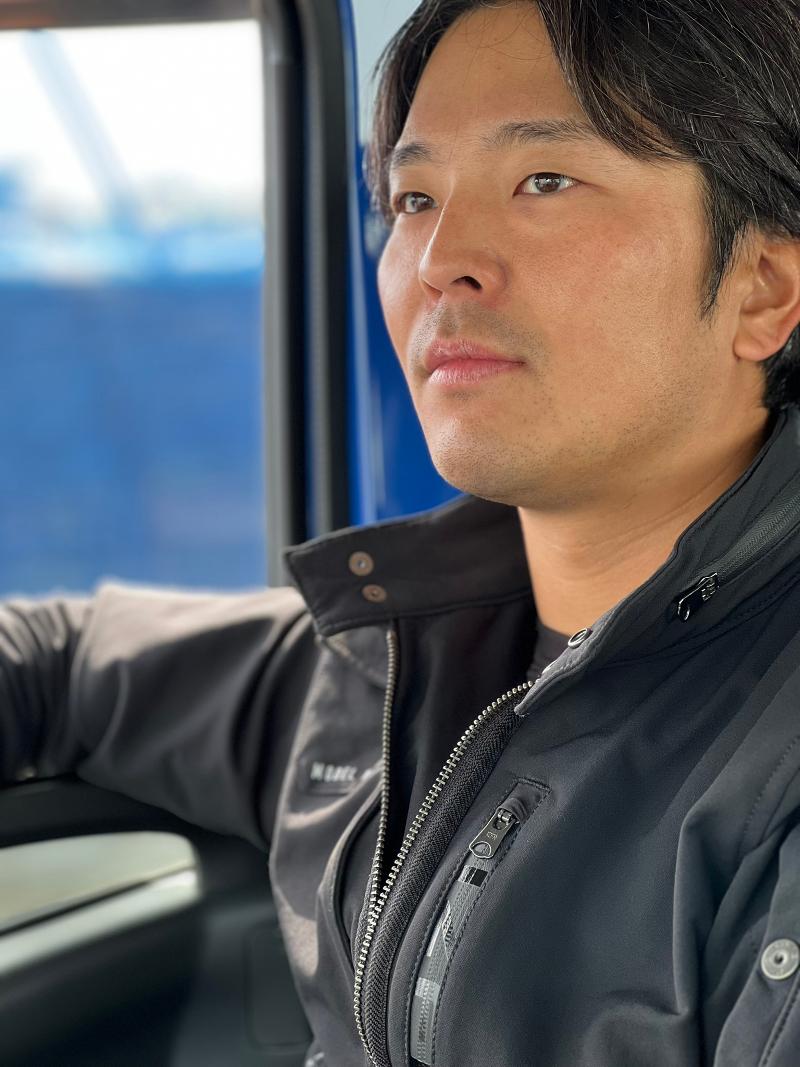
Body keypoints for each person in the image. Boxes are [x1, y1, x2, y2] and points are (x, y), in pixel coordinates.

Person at [4, 0, 800, 1063]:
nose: (436, 256)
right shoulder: (390, 660)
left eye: (544, 181)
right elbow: (57, 660)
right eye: (414, 198)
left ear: (763, 289)